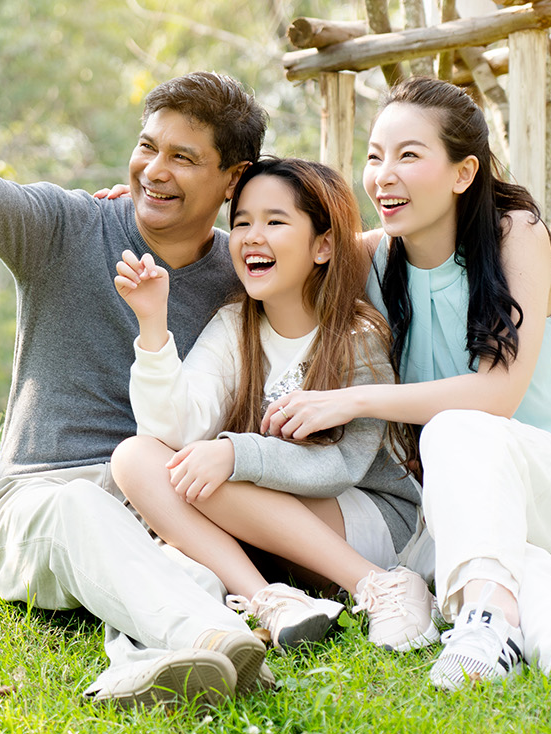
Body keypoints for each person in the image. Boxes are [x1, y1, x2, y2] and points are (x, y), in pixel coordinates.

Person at [0, 54, 274, 706]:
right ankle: (212, 636)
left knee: (171, 560)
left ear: (234, 178)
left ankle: (155, 665)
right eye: (147, 147)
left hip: (161, 510)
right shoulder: (66, 227)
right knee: (80, 510)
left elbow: (338, 255)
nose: (155, 171)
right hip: (39, 502)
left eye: (184, 157)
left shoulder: (245, 275)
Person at [260, 77, 551, 693]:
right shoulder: (374, 259)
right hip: (469, 499)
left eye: (408, 155)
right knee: (504, 555)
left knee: (457, 430)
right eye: (374, 156)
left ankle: (485, 622)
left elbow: (496, 398)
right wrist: (146, 220)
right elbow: (269, 246)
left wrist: (352, 399)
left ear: (463, 173)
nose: (383, 175)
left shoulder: (516, 235)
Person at [108, 157, 438, 654]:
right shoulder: (234, 326)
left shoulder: (356, 336)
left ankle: (379, 584)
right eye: (241, 222)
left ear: (323, 244)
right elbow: (173, 429)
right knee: (135, 457)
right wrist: (152, 323)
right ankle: (268, 599)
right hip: (273, 531)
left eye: (274, 221)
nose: (251, 236)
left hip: (368, 519)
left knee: (209, 475)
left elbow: (343, 466)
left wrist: (238, 455)